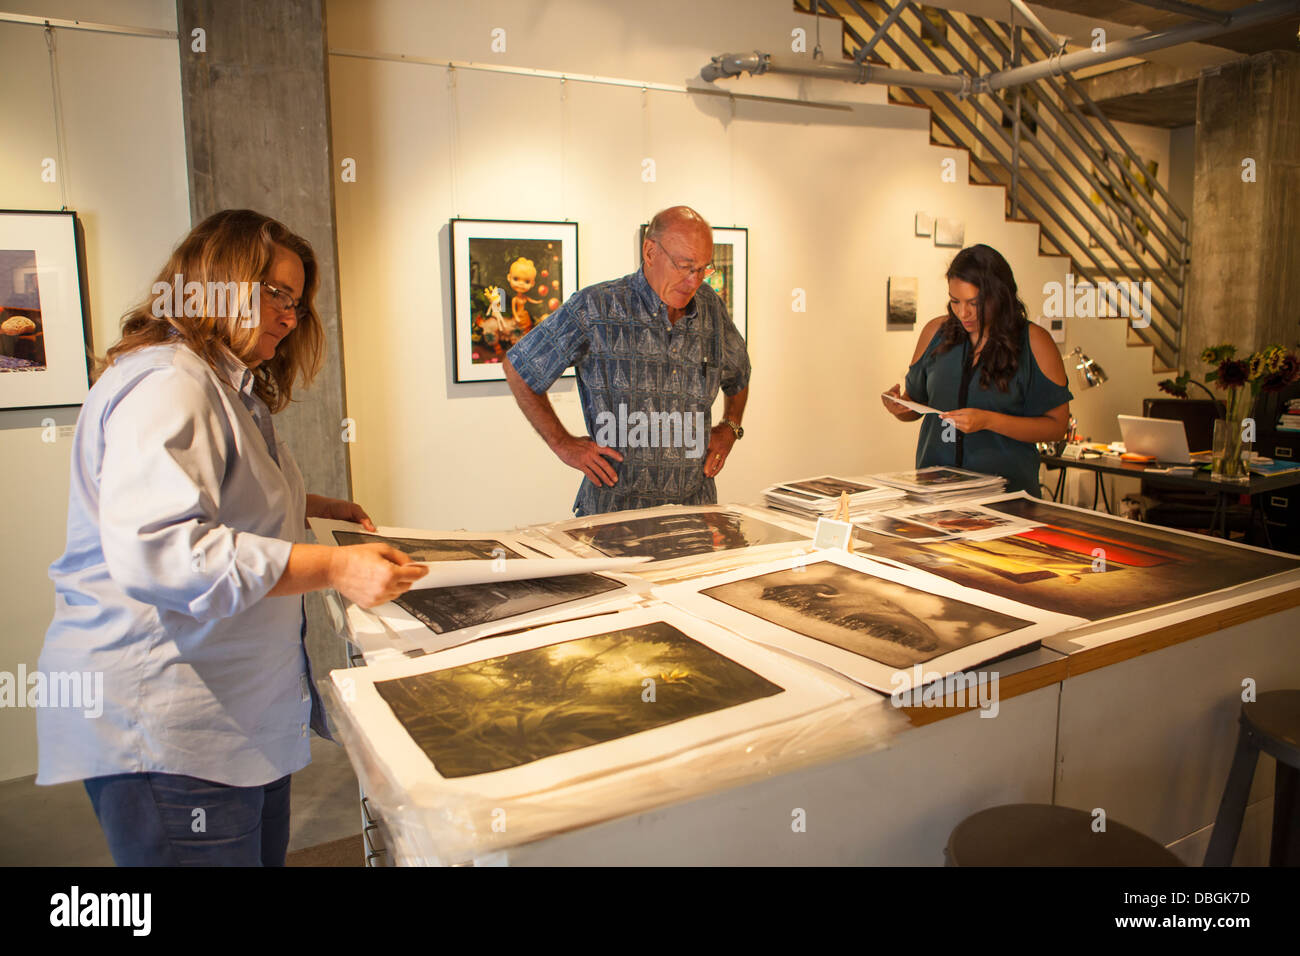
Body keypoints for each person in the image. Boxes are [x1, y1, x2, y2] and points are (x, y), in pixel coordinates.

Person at [36, 209, 427, 866]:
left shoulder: (226, 385)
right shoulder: (169, 382)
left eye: (297, 303)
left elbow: (219, 498)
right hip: (166, 723)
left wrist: (307, 505)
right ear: (216, 281)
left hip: (232, 712)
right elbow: (164, 551)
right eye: (275, 293)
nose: (289, 316)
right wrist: (333, 567)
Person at [504, 205, 751, 516]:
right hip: (614, 515)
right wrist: (563, 444)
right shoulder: (596, 307)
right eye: (684, 266)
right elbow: (520, 367)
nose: (694, 281)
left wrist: (730, 427)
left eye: (703, 269)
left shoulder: (710, 307)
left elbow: (739, 374)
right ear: (650, 252)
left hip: (693, 511)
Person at [882, 244, 1071, 495]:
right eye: (955, 301)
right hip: (936, 496)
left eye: (974, 302)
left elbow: (1057, 427)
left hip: (1007, 497)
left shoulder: (1035, 342)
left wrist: (989, 421)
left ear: (1000, 295)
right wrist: (899, 406)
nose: (963, 313)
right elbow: (914, 405)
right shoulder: (934, 333)